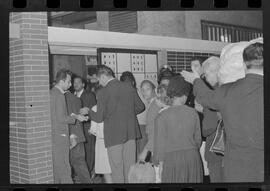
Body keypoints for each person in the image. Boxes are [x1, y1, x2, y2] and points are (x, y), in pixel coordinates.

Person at [181, 42, 264, 182]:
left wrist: (195, 80)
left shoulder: (228, 91)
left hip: (236, 170)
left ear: (244, 65)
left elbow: (205, 97)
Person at [80, 65, 145, 183]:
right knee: (130, 168)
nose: (99, 83)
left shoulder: (103, 92)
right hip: (130, 133)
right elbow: (141, 107)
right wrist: (127, 114)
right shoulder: (128, 86)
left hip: (114, 136)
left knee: (117, 170)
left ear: (104, 76)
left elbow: (99, 118)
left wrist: (89, 111)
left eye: (99, 80)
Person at [153, 75, 203, 183]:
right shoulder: (193, 113)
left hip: (171, 160)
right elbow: (198, 140)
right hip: (192, 158)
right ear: (184, 95)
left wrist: (160, 166)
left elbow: (160, 145)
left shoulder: (161, 116)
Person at [50, 69, 87, 183]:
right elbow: (61, 118)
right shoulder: (60, 95)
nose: (71, 85)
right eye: (69, 81)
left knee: (57, 171)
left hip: (54, 136)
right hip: (61, 136)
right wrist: (76, 117)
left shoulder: (51, 92)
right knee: (65, 170)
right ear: (61, 81)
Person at [200, 56, 224, 183]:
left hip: (215, 150)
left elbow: (209, 127)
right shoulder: (228, 88)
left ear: (215, 72)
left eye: (206, 74)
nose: (205, 78)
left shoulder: (213, 93)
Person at [65, 90, 92, 183]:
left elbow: (69, 117)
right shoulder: (76, 99)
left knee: (74, 165)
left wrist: (72, 136)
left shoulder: (63, 99)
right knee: (80, 165)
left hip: (71, 137)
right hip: (78, 136)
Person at [120, 71, 148, 159]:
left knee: (136, 152)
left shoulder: (132, 92)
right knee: (139, 152)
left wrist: (129, 113)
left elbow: (141, 107)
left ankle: (138, 171)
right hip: (140, 124)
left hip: (138, 125)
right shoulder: (138, 91)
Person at [73, 76, 97, 180]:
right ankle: (81, 173)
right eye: (74, 82)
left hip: (87, 127)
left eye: (78, 82)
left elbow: (94, 111)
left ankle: (89, 172)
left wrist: (92, 127)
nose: (76, 84)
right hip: (77, 128)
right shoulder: (72, 95)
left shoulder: (89, 95)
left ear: (83, 84)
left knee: (89, 151)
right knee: (80, 152)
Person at [89, 105, 112, 183]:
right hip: (116, 141)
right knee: (115, 168)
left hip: (102, 142)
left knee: (106, 170)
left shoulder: (95, 108)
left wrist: (91, 131)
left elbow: (93, 129)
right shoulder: (116, 104)